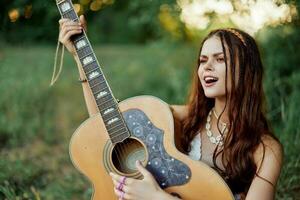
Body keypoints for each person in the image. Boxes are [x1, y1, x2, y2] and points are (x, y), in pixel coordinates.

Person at [58, 15, 283, 200]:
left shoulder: (266, 149)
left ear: (246, 70)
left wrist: (158, 198)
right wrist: (80, 57)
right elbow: (105, 127)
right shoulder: (186, 117)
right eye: (203, 61)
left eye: (220, 59)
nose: (207, 67)